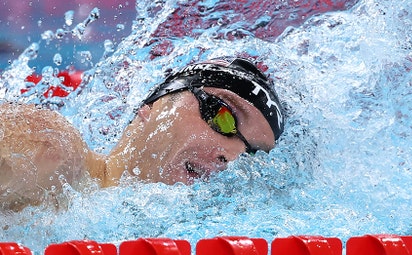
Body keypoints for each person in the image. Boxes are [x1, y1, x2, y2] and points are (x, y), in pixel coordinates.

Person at [0, 57, 285, 211]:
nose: (232, 157)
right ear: (151, 106)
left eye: (251, 153)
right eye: (224, 118)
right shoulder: (56, 157)